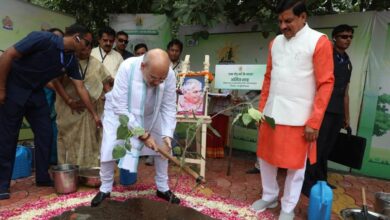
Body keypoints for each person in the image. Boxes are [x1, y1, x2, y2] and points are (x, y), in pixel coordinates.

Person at [250, 1, 334, 219]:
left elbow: (326, 84)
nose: (283, 26)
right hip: (271, 113)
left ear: (303, 17)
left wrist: (314, 121)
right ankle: (269, 196)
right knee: (266, 160)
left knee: (296, 168)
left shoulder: (319, 41)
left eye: (288, 21)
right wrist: (261, 110)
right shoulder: (275, 43)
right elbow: (269, 78)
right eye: (280, 21)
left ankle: (287, 208)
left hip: (300, 118)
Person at [0, 24, 102, 200]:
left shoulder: (70, 60)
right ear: (77, 38)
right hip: (14, 88)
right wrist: (1, 88)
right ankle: (2, 184)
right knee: (8, 137)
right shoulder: (42, 39)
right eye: (87, 42)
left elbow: (80, 88)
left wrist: (94, 114)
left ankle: (42, 177)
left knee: (46, 132)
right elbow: (8, 55)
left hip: (35, 93)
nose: (88, 48)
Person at [91, 49, 179, 207]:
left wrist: (168, 134)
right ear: (143, 66)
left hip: (152, 113)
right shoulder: (127, 67)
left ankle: (163, 188)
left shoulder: (170, 75)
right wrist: (142, 135)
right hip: (119, 113)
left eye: (162, 79)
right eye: (153, 78)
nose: (158, 83)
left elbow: (169, 106)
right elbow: (120, 107)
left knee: (163, 148)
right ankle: (105, 188)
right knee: (109, 148)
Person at [302, 24, 354, 196]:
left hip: (337, 111)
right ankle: (307, 183)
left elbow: (346, 92)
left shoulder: (347, 62)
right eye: (344, 36)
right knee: (316, 147)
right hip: (323, 110)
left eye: (350, 36)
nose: (348, 40)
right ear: (334, 38)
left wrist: (347, 117)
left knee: (328, 148)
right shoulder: (326, 56)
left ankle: (321, 179)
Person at [55, 37, 112, 168]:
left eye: (87, 49)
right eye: (81, 50)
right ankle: (70, 169)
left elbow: (105, 83)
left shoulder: (96, 64)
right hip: (69, 108)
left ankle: (88, 168)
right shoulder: (67, 61)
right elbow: (55, 82)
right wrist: (68, 100)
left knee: (90, 139)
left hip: (92, 109)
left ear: (91, 49)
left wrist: (109, 98)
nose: (84, 52)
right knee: (70, 139)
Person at [45, 27, 65, 165]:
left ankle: (56, 161)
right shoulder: (42, 53)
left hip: (59, 97)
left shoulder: (63, 55)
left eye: (60, 38)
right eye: (54, 37)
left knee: (57, 129)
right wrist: (62, 92)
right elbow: (45, 80)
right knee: (46, 129)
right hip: (47, 95)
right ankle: (48, 162)